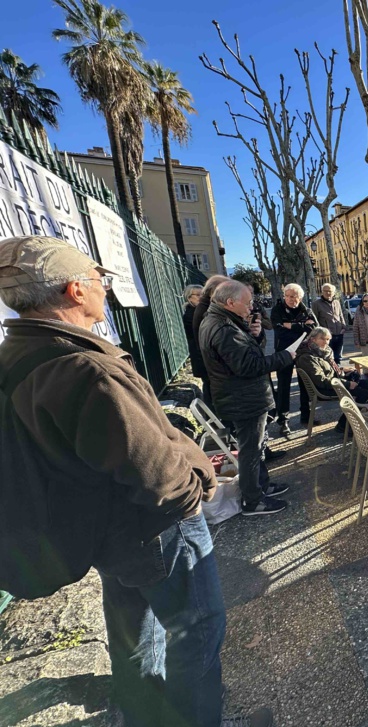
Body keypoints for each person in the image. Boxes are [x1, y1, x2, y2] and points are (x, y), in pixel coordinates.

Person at [0, 237, 272, 727]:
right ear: (72, 290)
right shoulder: (84, 368)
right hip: (154, 528)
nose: (104, 286)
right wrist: (199, 483)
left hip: (108, 527)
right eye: (96, 277)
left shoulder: (24, 355)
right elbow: (155, 472)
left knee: (133, 632)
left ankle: (147, 715)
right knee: (198, 629)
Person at [200, 280, 293, 517]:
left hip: (242, 397)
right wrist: (285, 355)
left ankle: (260, 487)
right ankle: (253, 501)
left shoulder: (223, 321)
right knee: (251, 449)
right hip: (244, 399)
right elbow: (250, 365)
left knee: (255, 447)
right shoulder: (223, 328)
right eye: (248, 302)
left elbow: (245, 353)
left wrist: (254, 334)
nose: (251, 307)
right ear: (230, 302)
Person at [270, 283, 318, 433]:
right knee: (284, 386)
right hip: (283, 352)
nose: (291, 299)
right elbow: (279, 331)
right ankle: (283, 421)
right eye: (288, 296)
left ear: (300, 297)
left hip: (303, 352)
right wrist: (302, 326)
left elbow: (314, 329)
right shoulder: (277, 310)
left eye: (294, 296)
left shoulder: (306, 310)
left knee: (306, 384)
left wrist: (290, 325)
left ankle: (306, 415)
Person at [295, 326, 368, 412]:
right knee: (365, 394)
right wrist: (347, 384)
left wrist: (341, 369)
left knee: (367, 383)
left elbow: (326, 369)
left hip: (331, 383)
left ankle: (364, 416)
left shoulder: (321, 352)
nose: (326, 342)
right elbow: (321, 380)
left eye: (328, 339)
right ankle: (346, 423)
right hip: (324, 389)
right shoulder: (307, 357)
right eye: (322, 339)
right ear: (313, 339)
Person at [192, 274, 231, 406]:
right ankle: (218, 423)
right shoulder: (207, 310)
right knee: (213, 394)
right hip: (212, 364)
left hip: (211, 363)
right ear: (214, 291)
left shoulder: (206, 307)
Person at [311, 283, 348, 364]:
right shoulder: (316, 304)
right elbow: (315, 320)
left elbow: (341, 315)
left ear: (333, 292)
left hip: (339, 334)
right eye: (325, 291)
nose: (328, 293)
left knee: (338, 357)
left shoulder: (337, 302)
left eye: (330, 291)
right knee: (327, 357)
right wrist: (321, 333)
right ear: (322, 292)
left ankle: (338, 374)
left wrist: (343, 327)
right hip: (326, 337)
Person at [182, 283, 205, 387]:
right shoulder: (191, 314)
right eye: (198, 295)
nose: (201, 298)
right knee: (208, 383)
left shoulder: (198, 311)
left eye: (203, 295)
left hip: (202, 353)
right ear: (189, 297)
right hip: (200, 354)